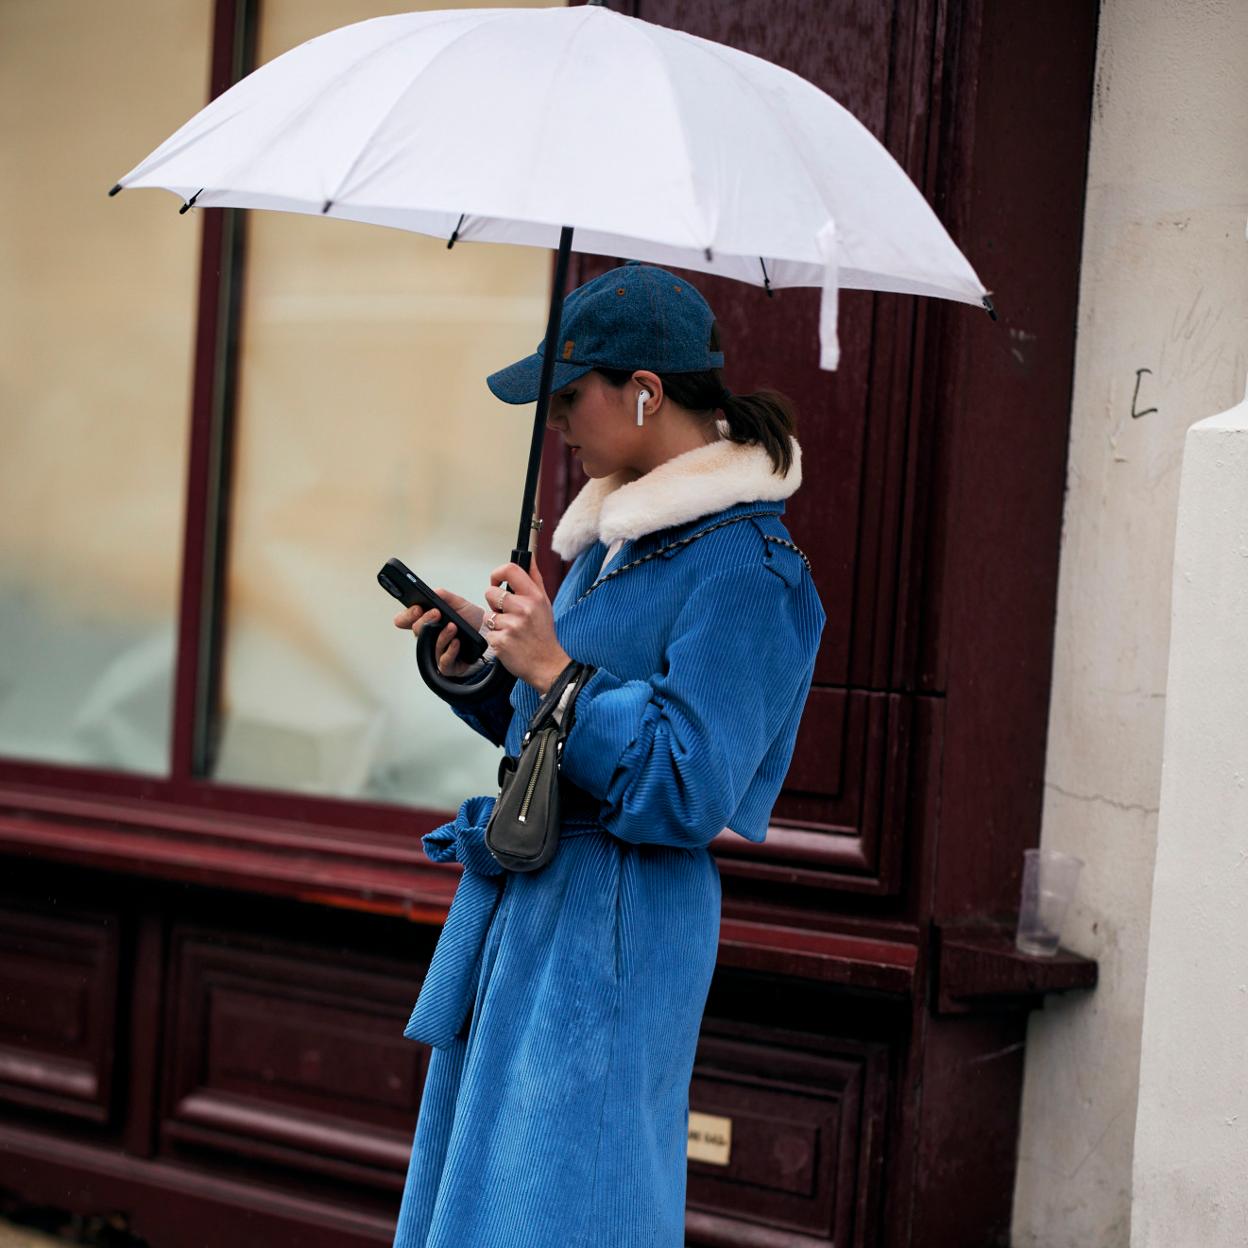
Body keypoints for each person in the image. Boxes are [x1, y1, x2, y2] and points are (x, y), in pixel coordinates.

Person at [389, 262, 826, 1248]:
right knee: (489, 1195)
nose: (554, 423)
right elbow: (560, 738)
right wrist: (486, 661)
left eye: (565, 396)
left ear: (644, 391)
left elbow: (685, 787)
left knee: (568, 1203)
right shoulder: (615, 541)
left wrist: (556, 668)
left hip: (619, 925)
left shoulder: (753, 572)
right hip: (532, 905)